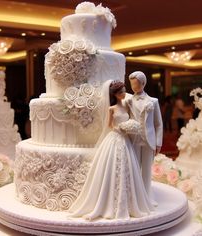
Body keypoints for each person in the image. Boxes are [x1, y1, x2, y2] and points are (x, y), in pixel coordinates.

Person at [68, 80, 154, 221]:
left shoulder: (127, 105)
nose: (124, 93)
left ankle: (128, 202)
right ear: (114, 94)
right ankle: (109, 201)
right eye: (120, 92)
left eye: (124, 91)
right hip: (115, 138)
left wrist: (131, 127)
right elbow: (109, 125)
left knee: (127, 169)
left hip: (125, 140)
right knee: (113, 167)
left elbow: (135, 115)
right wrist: (120, 128)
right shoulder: (112, 109)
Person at [126, 71, 163, 205]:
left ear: (143, 83)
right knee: (134, 168)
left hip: (149, 140)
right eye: (131, 84)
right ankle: (134, 197)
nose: (133, 87)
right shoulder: (128, 100)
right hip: (133, 139)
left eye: (135, 84)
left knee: (146, 170)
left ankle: (147, 197)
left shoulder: (153, 101)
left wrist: (158, 143)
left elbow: (158, 124)